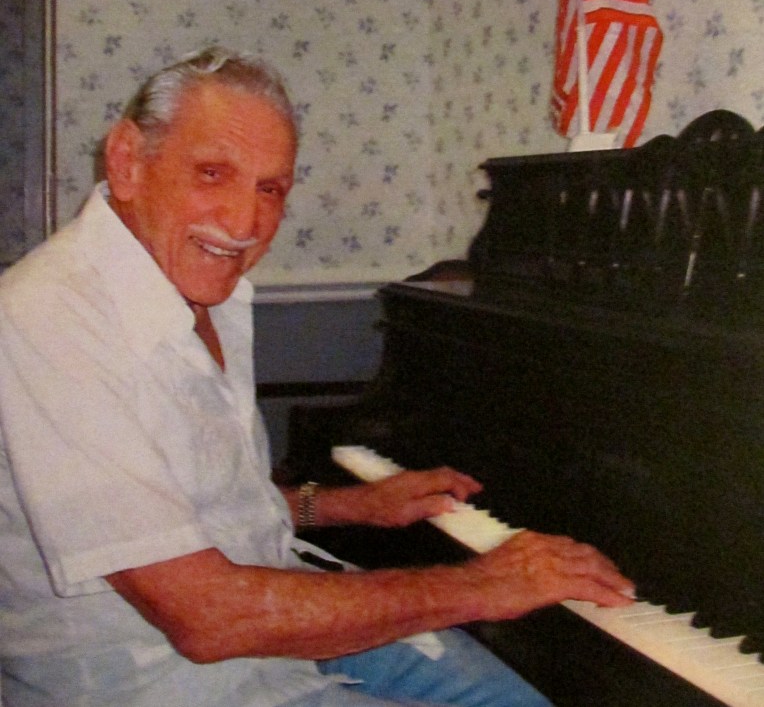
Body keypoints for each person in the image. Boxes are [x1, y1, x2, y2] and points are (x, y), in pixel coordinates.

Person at [0, 48, 634, 707]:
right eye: (212, 173)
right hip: (174, 685)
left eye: (270, 189)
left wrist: (347, 505)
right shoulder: (49, 321)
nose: (243, 224)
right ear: (128, 160)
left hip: (273, 638)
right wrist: (484, 584)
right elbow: (205, 617)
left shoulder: (200, 290)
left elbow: (213, 502)